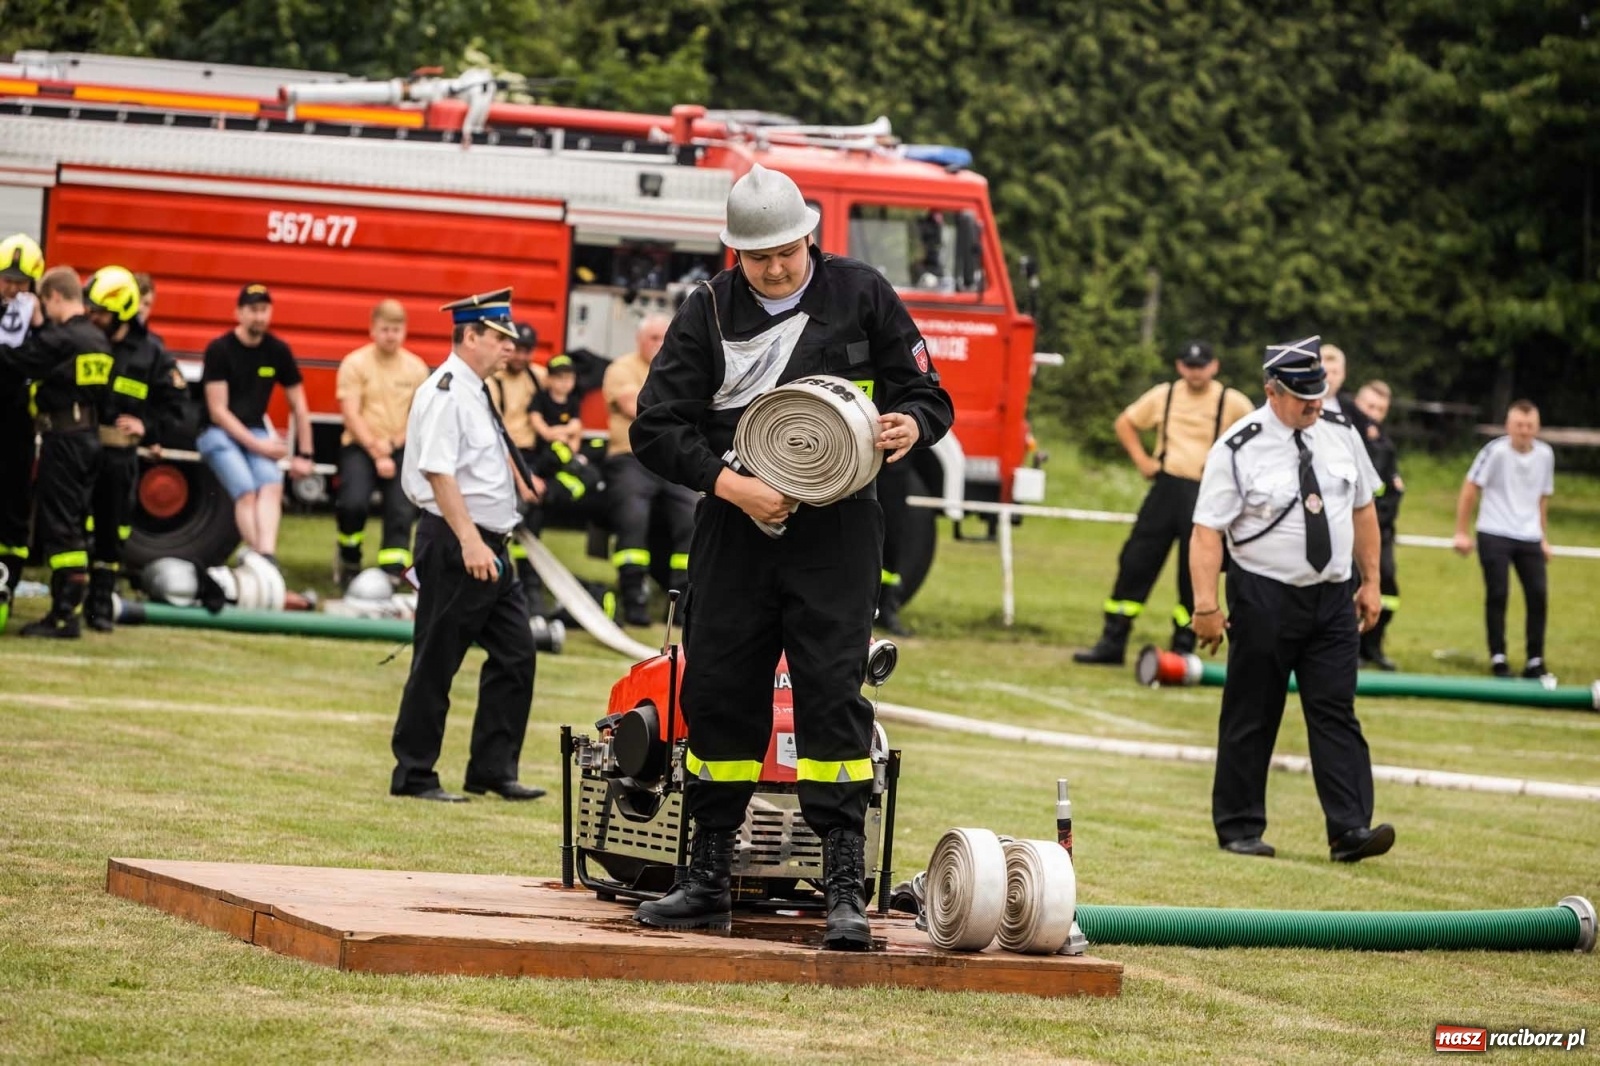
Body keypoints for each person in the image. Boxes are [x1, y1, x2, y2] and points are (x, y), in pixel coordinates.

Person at [628, 164, 954, 948]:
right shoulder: (708, 309)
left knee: (831, 696)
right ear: (734, 252)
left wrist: (912, 424)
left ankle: (843, 890)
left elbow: (927, 392)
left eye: (786, 251)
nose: (775, 268)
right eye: (758, 256)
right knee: (718, 691)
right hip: (735, 527)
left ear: (810, 235)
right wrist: (733, 487)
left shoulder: (862, 292)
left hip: (839, 531)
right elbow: (655, 426)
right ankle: (706, 880)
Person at [1189, 335, 1394, 863]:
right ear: (1272, 391)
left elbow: (1363, 509)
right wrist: (1206, 605)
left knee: (1336, 709)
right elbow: (1207, 531)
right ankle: (1240, 827)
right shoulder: (1238, 446)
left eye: (1318, 393)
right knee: (1253, 710)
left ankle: (1349, 830)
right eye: (1303, 396)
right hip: (1264, 594)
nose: (1314, 404)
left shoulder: (1341, 432)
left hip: (1333, 597)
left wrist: (1371, 582)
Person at [389, 287, 546, 804]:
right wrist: (470, 541)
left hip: (489, 543)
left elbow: (477, 461)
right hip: (459, 541)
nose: (510, 347)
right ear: (470, 337)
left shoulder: (476, 388)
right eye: (500, 338)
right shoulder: (445, 391)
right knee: (437, 661)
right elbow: (438, 472)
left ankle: (492, 770)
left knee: (517, 654)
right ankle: (414, 774)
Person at [1075, 341, 1254, 664]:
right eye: (1189, 365)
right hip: (1165, 487)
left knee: (1193, 572)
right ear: (1179, 366)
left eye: (1201, 366)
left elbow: (1259, 440)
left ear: (1214, 366)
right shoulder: (1164, 394)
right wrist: (1142, 460)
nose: (1195, 372)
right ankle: (1113, 641)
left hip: (1206, 494)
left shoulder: (1233, 401)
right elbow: (1125, 422)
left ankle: (1183, 646)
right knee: (1136, 562)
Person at [0, 267, 114, 638]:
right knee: (74, 523)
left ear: (55, 297)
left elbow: (17, 360)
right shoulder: (96, 338)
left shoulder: (63, 338)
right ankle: (69, 610)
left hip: (64, 439)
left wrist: (34, 327)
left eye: (45, 305)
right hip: (88, 437)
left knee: (59, 526)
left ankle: (64, 616)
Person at [83, 266, 189, 631]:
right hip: (79, 450)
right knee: (73, 528)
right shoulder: (84, 339)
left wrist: (148, 427)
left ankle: (99, 606)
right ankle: (67, 601)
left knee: (110, 531)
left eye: (101, 312)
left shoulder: (151, 353)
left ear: (122, 313)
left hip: (117, 457)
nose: (93, 317)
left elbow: (177, 407)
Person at [197, 284, 313, 562]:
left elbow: (299, 405)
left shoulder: (277, 350)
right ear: (238, 313)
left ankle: (265, 555)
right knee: (246, 491)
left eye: (264, 310)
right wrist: (260, 447)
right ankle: (260, 558)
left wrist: (305, 454)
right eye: (252, 310)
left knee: (272, 485)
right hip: (216, 432)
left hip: (255, 430)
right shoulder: (219, 349)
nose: (259, 317)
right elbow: (218, 412)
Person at [602, 313, 697, 626]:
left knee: (693, 516)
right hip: (630, 459)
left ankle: (684, 601)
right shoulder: (622, 368)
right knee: (633, 517)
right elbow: (636, 408)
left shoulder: (683, 367)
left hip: (671, 458)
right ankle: (634, 598)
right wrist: (678, 409)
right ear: (639, 340)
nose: (659, 344)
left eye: (664, 337)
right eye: (653, 338)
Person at [1452, 400, 1555, 679]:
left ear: (1537, 428)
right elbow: (1470, 487)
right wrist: (1461, 531)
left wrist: (1542, 537)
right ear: (1509, 426)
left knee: (1538, 594)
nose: (1524, 431)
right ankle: (1498, 656)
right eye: (1519, 425)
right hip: (1494, 530)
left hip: (1529, 534)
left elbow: (1542, 498)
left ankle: (1535, 659)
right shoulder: (1495, 452)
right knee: (1498, 593)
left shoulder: (1545, 455)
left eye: (1529, 426)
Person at [333, 299, 430, 586]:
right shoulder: (355, 363)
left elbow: (418, 416)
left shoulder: (416, 368)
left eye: (396, 330)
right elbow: (351, 413)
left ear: (405, 331)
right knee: (352, 503)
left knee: (402, 508)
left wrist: (393, 444)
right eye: (385, 329)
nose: (391, 335)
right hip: (360, 446)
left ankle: (392, 571)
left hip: (400, 448)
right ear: (373, 329)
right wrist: (376, 451)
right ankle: (349, 558)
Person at [0, 233, 45, 630]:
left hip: (16, 429)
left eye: (20, 282)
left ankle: (6, 587)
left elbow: (37, 360)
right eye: (6, 279)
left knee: (14, 512)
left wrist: (37, 327)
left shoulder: (41, 323)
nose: (12, 289)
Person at [488, 321, 548, 614]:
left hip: (534, 456)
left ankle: (529, 583)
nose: (521, 357)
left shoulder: (539, 376)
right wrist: (524, 479)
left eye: (527, 351)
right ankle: (503, 579)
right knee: (513, 513)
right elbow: (499, 437)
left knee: (536, 511)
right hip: (502, 457)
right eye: (517, 350)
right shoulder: (493, 381)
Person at [1351, 381, 1404, 670]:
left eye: (1380, 409)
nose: (1373, 414)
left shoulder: (1386, 447)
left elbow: (1393, 491)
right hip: (1350, 533)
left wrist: (1380, 523)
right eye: (1369, 406)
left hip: (1381, 532)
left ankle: (1374, 645)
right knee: (1351, 588)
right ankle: (1352, 647)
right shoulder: (1344, 441)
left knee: (1388, 589)